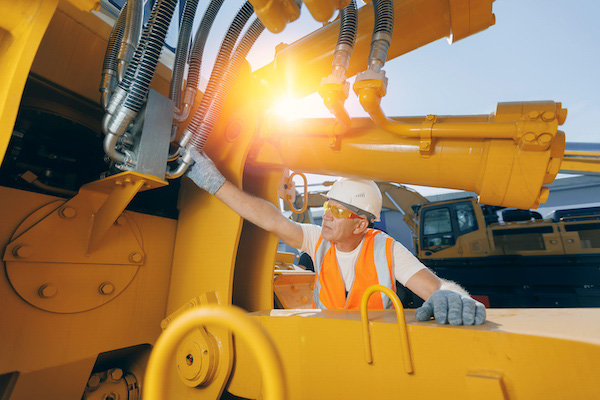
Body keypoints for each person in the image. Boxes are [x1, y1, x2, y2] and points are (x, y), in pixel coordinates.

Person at [186, 150, 486, 325]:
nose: (326, 215)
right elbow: (270, 218)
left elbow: (436, 287)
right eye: (328, 206)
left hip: (375, 346)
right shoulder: (317, 240)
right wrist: (215, 182)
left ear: (360, 225)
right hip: (327, 341)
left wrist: (453, 295)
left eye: (337, 211)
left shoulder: (386, 249)